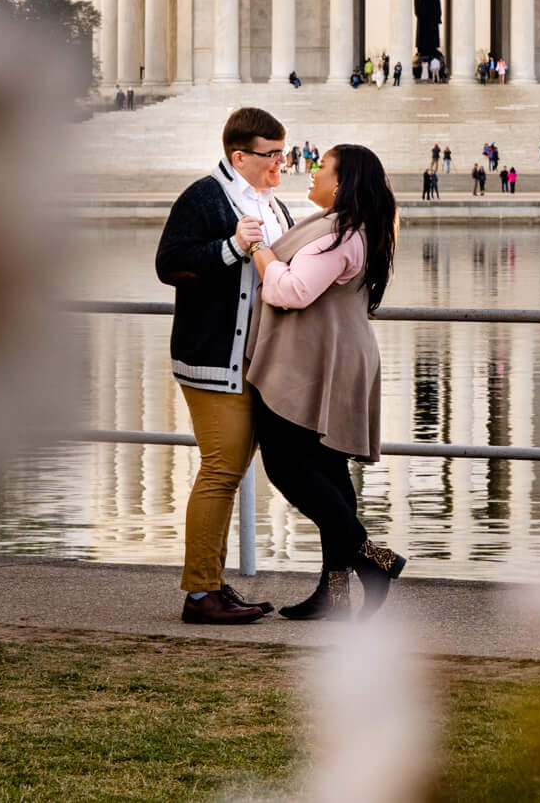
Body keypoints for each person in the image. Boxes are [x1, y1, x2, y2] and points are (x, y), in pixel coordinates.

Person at [246, 143, 405, 620]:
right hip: (333, 357)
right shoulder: (352, 228)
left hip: (319, 364)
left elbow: (292, 291)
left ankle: (375, 559)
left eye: (321, 168)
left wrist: (258, 251)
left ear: (342, 183)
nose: (311, 174)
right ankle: (334, 597)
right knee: (331, 475)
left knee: (287, 466)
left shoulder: (343, 234)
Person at [154, 106, 296, 625]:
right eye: (271, 154)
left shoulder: (273, 204)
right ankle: (199, 596)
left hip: (257, 362)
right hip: (214, 359)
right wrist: (232, 248)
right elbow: (169, 263)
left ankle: (211, 583)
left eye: (284, 152)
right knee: (219, 470)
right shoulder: (204, 197)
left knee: (230, 472)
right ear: (240, 156)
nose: (282, 162)